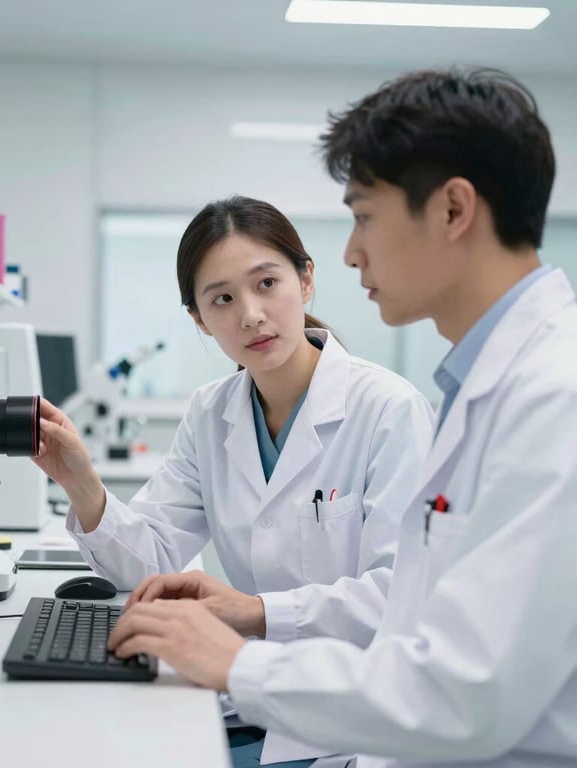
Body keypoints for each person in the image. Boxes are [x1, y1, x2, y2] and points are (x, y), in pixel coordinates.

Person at [107, 68, 577, 768]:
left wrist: (239, 661)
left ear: (453, 211)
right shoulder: (491, 386)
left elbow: (463, 695)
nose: (352, 251)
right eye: (222, 300)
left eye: (363, 215)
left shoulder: (552, 397)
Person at [34, 195, 434, 764]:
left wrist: (253, 611)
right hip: (254, 699)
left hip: (350, 720)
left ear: (306, 281)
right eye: (222, 298)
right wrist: (81, 483)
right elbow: (149, 558)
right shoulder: (210, 412)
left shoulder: (388, 409)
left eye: (267, 283)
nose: (250, 314)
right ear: (199, 318)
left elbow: (402, 596)